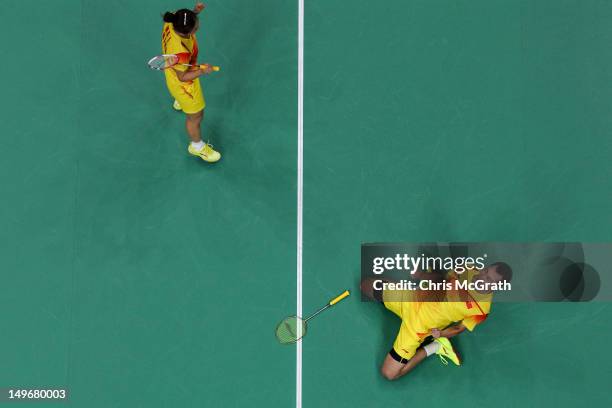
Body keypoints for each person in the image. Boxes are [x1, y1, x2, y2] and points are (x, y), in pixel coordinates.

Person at [361, 262, 513, 381]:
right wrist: (422, 276)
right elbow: (444, 280)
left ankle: (436, 347)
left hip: (419, 328)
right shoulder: (468, 268)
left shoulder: (481, 309)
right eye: (485, 271)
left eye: (488, 279)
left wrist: (440, 334)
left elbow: (459, 328)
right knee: (365, 286)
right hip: (414, 299)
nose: (481, 276)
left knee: (389, 373)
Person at [161, 2, 221, 162]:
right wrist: (202, 71)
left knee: (179, 91)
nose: (198, 27)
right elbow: (183, 77)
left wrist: (194, 12)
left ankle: (179, 101)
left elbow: (185, 19)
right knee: (196, 116)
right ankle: (197, 146)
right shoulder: (179, 51)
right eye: (195, 28)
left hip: (172, 71)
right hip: (184, 84)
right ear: (186, 32)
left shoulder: (173, 19)